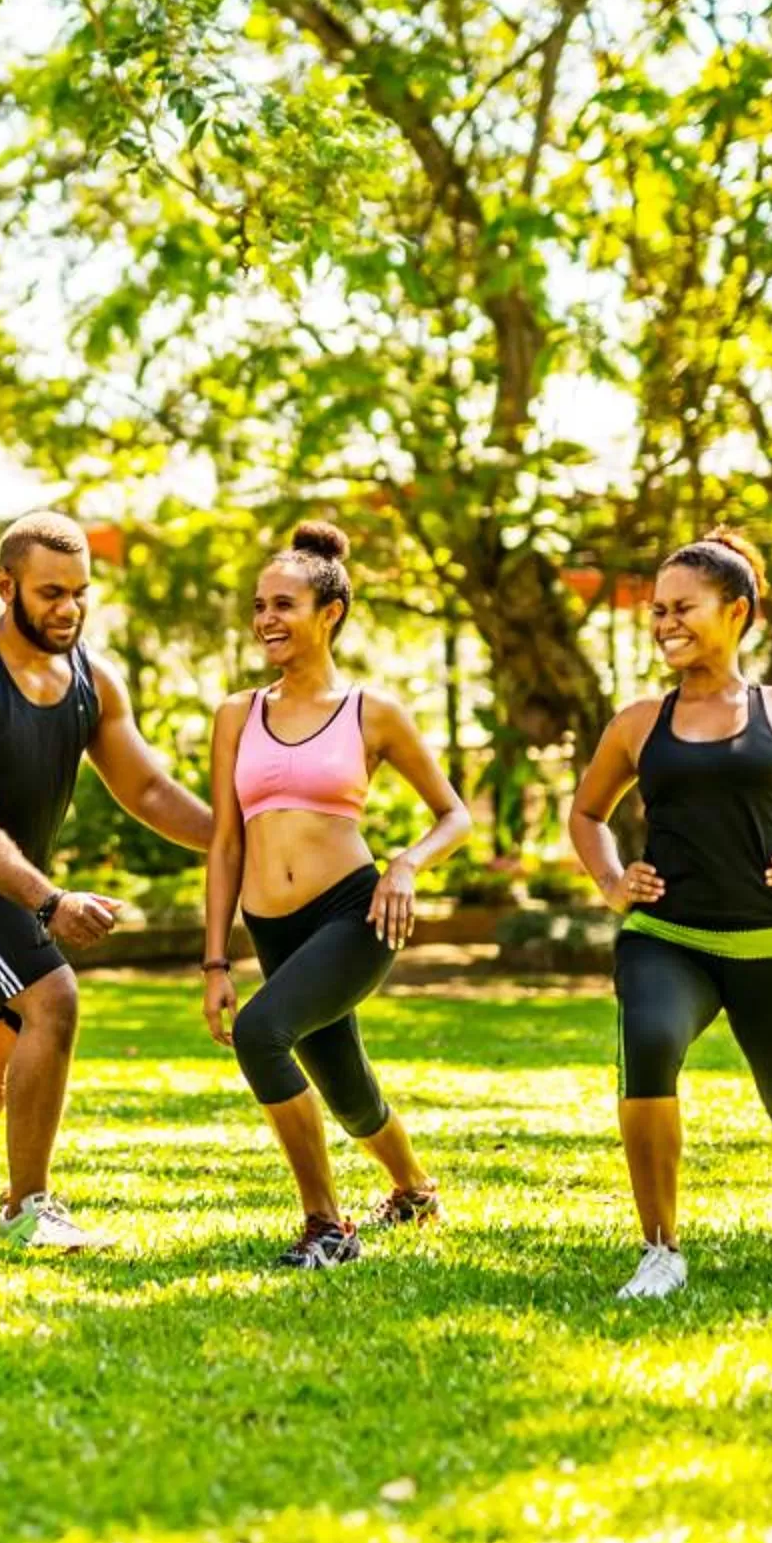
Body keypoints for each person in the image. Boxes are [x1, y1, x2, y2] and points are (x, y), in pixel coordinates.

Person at [567, 527, 772, 1301]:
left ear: (738, 612)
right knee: (648, 1049)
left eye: (683, 608)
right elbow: (587, 814)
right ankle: (660, 1250)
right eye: (656, 611)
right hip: (667, 937)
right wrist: (614, 882)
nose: (664, 624)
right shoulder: (638, 722)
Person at [0, 511, 213, 1251]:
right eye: (50, 592)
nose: (69, 609)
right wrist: (51, 902)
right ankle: (29, 1207)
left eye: (80, 593)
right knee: (52, 999)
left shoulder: (91, 677)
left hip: (6, 881)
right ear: (6, 585)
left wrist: (232, 842)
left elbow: (148, 790)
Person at [200, 523, 473, 1269]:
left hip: (356, 913)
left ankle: (327, 1226)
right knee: (348, 1090)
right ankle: (414, 1190)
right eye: (259, 606)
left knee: (262, 1035)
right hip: (271, 925)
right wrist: (216, 962)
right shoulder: (237, 713)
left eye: (283, 604)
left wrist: (407, 865)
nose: (265, 620)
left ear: (330, 613)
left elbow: (455, 814)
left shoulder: (371, 711)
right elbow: (226, 842)